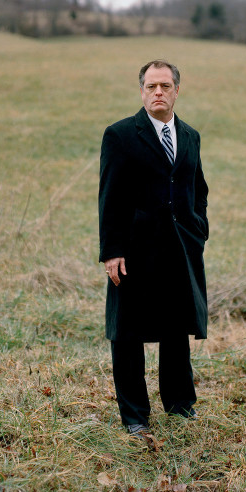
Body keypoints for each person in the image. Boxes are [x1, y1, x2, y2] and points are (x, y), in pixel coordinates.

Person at [98, 59, 210, 437]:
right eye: (151, 86)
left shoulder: (190, 136)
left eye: (165, 86)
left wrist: (199, 230)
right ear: (141, 91)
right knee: (127, 334)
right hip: (134, 252)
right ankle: (134, 417)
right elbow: (110, 197)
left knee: (176, 329)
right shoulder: (120, 135)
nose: (158, 92)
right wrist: (112, 250)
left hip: (180, 251)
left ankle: (180, 405)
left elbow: (199, 189)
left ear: (177, 90)